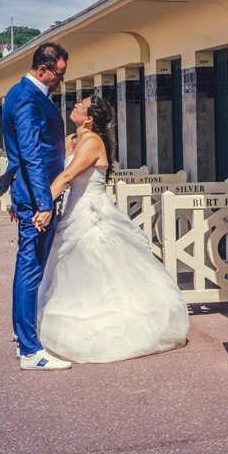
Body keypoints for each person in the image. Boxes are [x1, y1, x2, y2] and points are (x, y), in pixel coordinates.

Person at [36, 94, 189, 363]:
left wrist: (42, 205)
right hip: (71, 212)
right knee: (69, 270)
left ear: (90, 118)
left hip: (92, 214)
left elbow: (68, 176)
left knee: (97, 267)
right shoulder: (72, 139)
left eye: (80, 106)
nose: (74, 106)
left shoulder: (92, 142)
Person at [1, 42, 72, 370]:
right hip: (36, 198)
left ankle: (22, 339)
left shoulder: (18, 93)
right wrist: (43, 203)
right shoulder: (28, 98)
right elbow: (29, 153)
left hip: (28, 194)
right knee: (31, 267)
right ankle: (31, 351)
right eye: (59, 73)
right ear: (42, 69)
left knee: (26, 266)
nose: (61, 79)